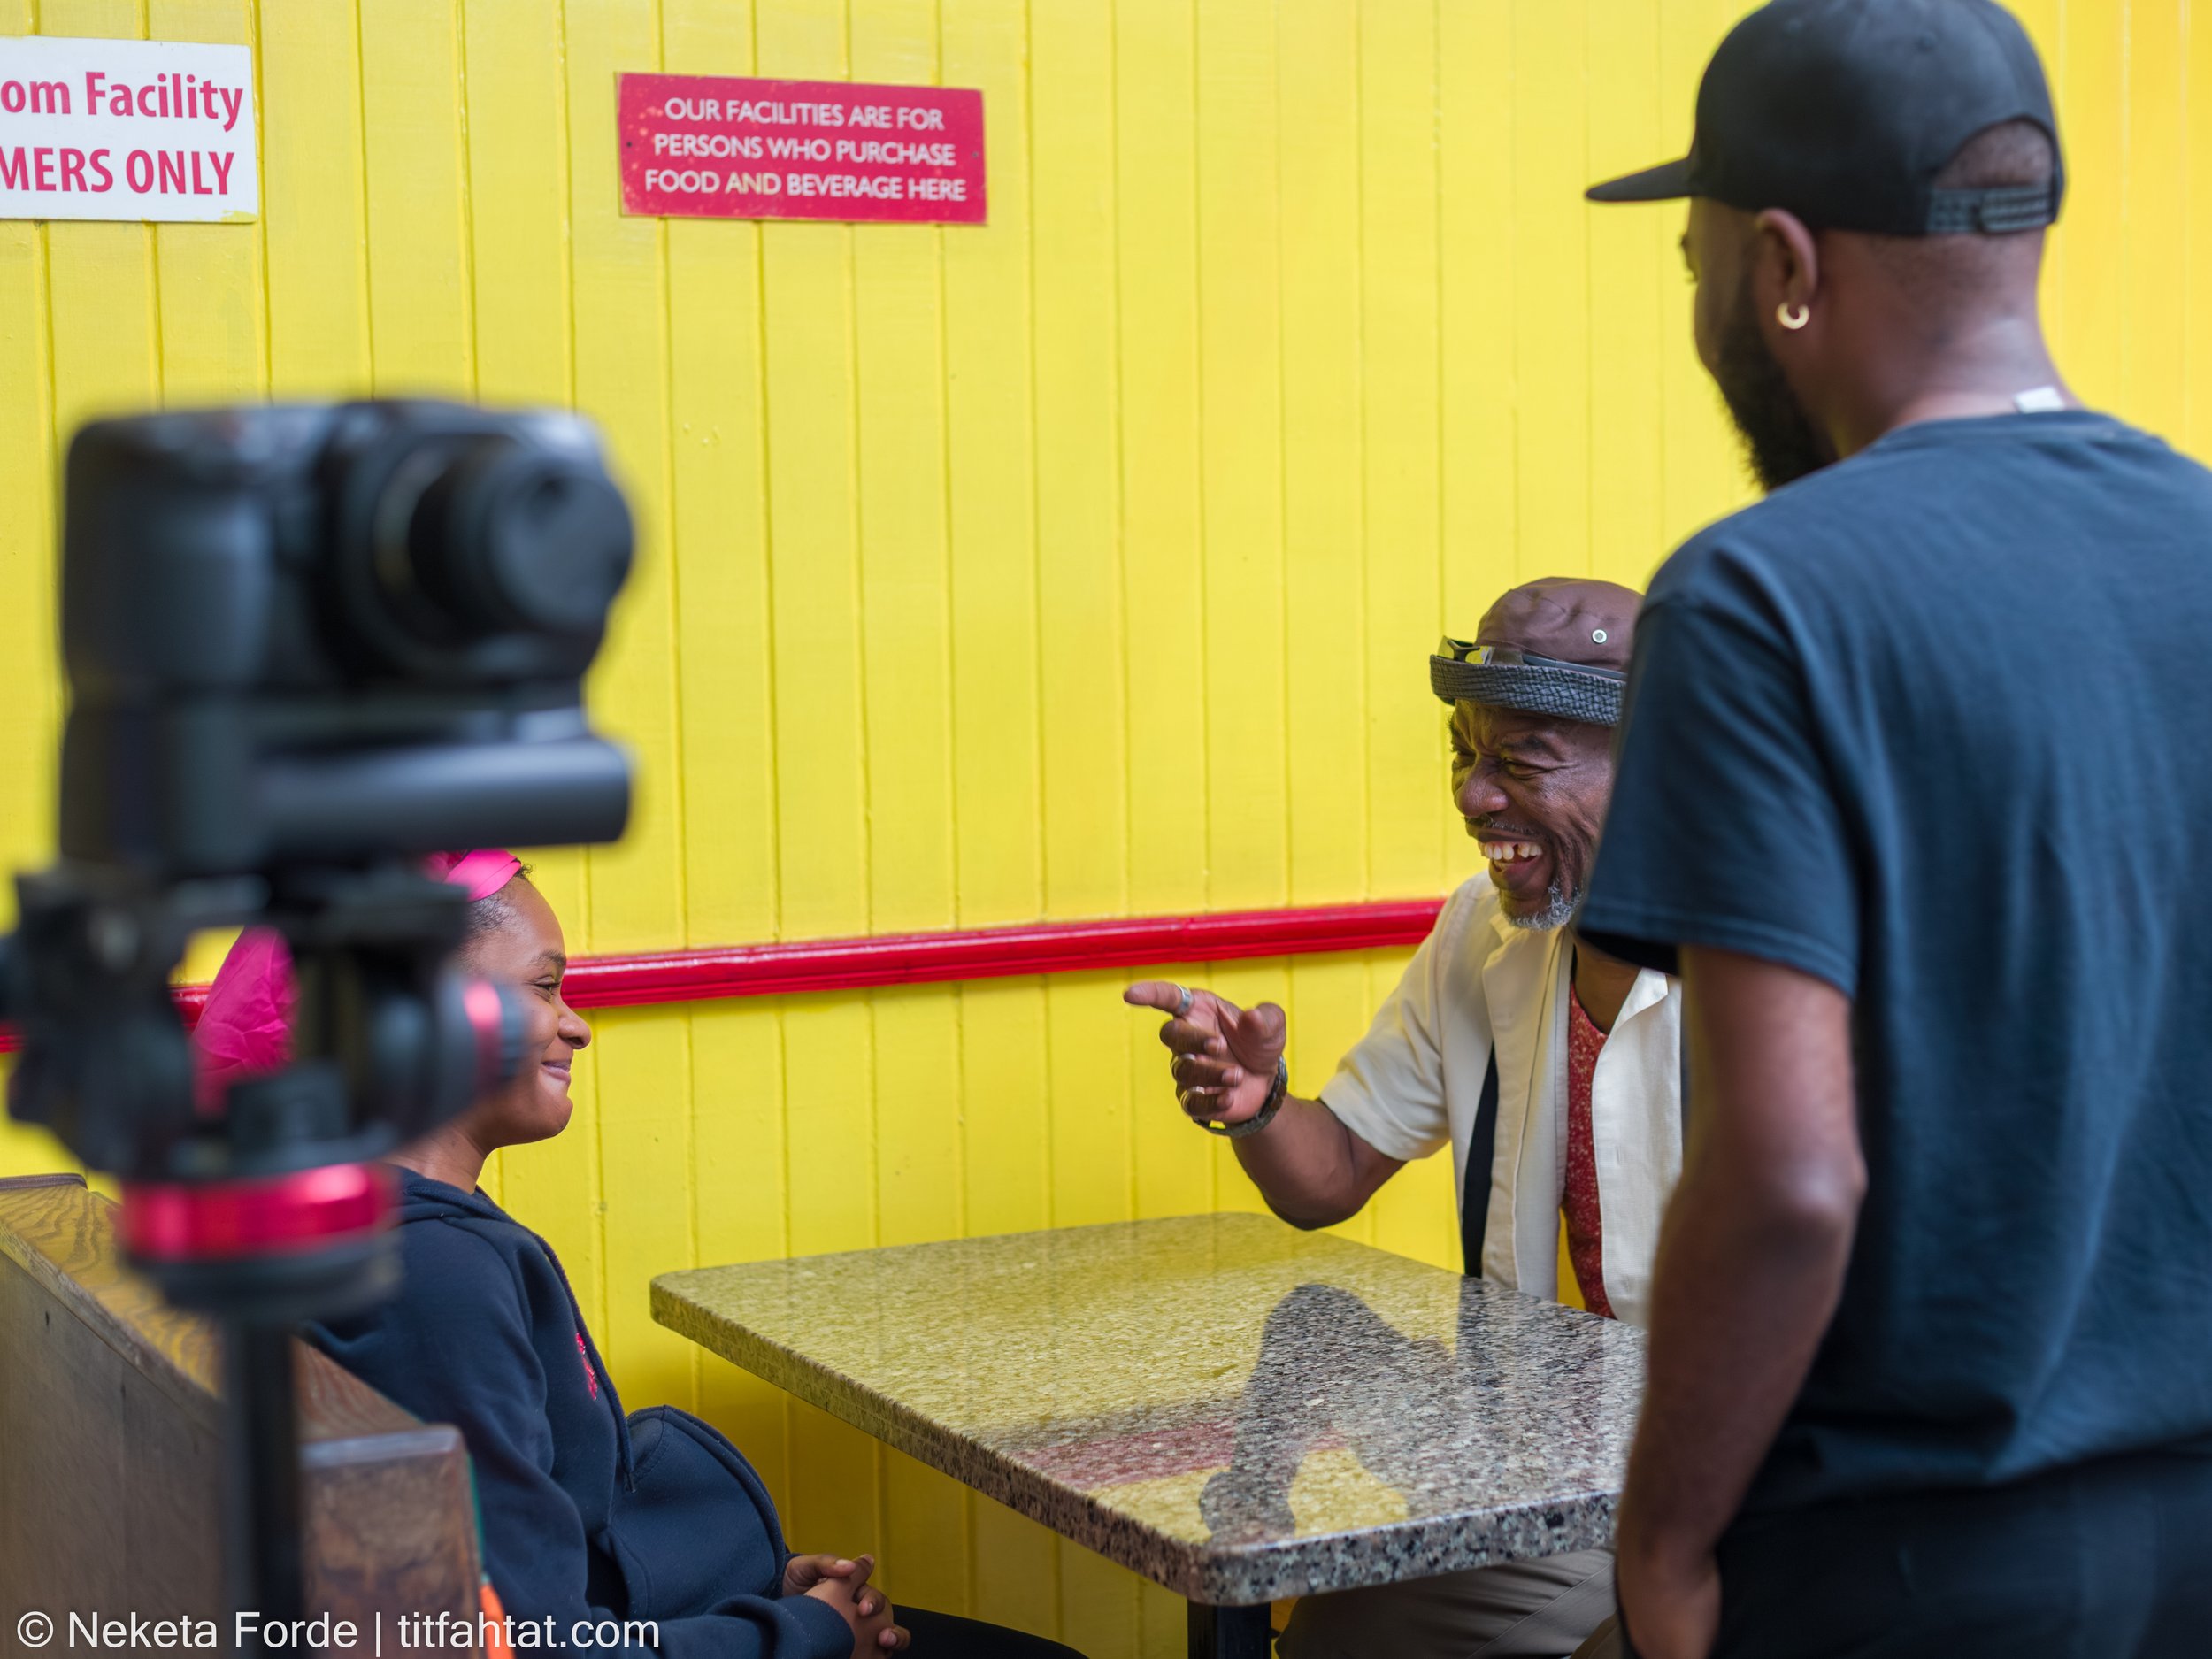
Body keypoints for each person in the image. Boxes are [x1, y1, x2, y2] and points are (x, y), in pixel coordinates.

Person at [1576, 3, 2212, 1655]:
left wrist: (1665, 1552)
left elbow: (1788, 1177)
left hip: (1911, 1576)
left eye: (1698, 259)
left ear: (1782, 266)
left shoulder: (1760, 599)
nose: (1705, 307)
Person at [196, 853, 1087, 1659]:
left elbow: (548, 1552)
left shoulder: (390, 1231)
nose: (575, 1026)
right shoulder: (429, 1276)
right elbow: (541, 1641)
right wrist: (802, 1633)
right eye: (544, 987)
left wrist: (752, 1597)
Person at [1125, 578, 1680, 1659]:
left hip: (1773, 1495)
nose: (1474, 798)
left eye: (1520, 760)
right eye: (1463, 756)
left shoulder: (1789, 969)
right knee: (1338, 1641)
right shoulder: (1484, 933)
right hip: (1559, 1479)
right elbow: (1325, 1177)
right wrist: (1257, 1106)